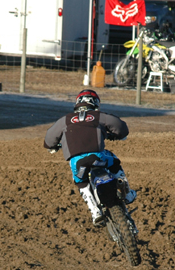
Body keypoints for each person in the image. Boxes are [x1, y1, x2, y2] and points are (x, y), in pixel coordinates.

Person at [43, 89, 137, 227]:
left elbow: (49, 139)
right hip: (98, 157)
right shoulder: (98, 116)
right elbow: (121, 127)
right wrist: (116, 135)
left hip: (77, 163)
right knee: (114, 161)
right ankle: (127, 194)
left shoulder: (65, 120)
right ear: (96, 103)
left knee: (80, 182)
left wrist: (53, 146)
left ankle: (95, 212)